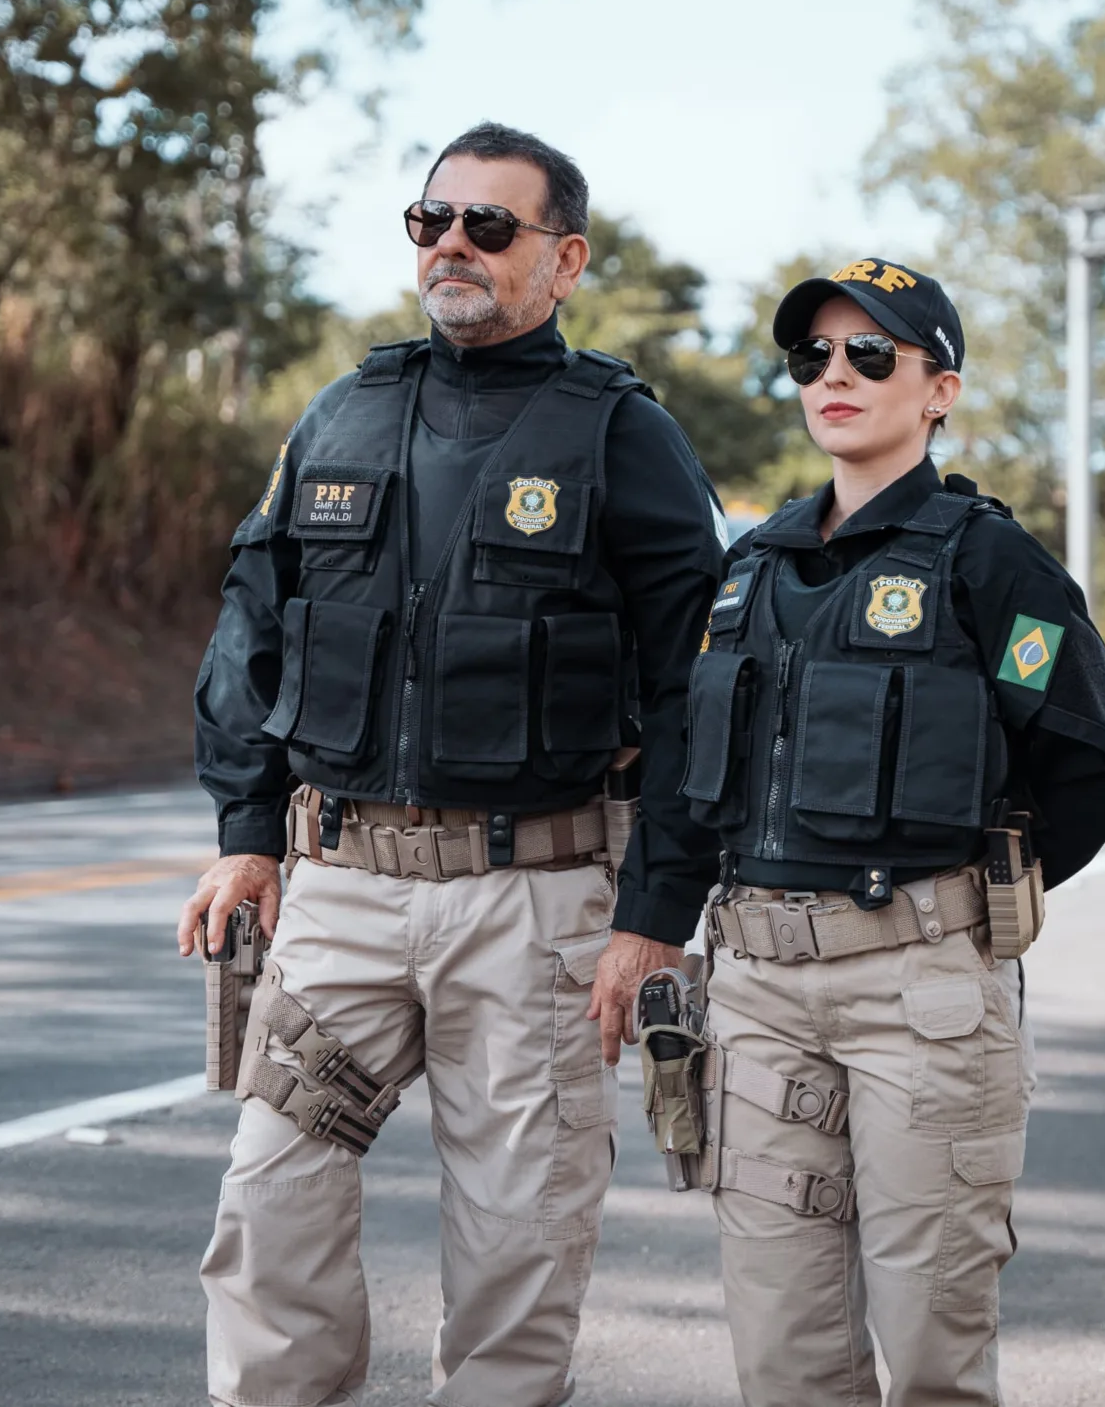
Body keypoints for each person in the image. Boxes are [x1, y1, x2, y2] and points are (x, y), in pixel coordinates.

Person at [181, 122, 723, 1407]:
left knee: (516, 1248)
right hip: (343, 894)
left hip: (533, 903)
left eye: (491, 225)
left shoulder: (622, 435)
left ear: (564, 258)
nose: (454, 247)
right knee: (270, 1201)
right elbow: (250, 632)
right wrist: (247, 833)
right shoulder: (342, 412)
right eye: (432, 221)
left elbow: (699, 690)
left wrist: (653, 916)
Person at [673, 259, 1105, 1407]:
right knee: (783, 1353)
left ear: (938, 389)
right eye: (812, 357)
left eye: (869, 354)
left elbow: (1094, 762)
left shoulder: (988, 562)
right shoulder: (750, 571)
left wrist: (974, 888)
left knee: (933, 1352)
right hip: (759, 996)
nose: (834, 375)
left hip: (919, 997)